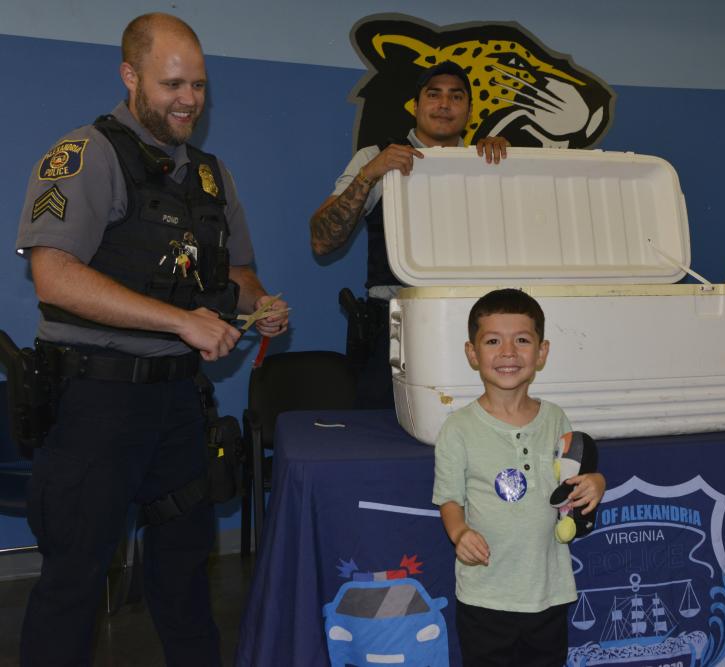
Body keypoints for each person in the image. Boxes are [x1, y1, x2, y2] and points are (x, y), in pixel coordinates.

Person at [14, 13, 289, 666]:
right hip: (97, 403)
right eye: (172, 84)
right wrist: (180, 321)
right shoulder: (83, 156)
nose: (189, 99)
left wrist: (261, 303)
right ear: (130, 76)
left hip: (178, 409)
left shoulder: (211, 176)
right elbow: (52, 277)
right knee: (74, 580)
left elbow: (237, 274)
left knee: (186, 572)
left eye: (198, 84)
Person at [309, 61, 510, 408]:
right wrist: (370, 175)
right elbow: (322, 240)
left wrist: (511, 165)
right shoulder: (374, 158)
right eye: (433, 95)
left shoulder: (488, 162)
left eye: (456, 96)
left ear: (469, 110)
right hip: (393, 326)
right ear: (415, 107)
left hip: (471, 324)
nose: (444, 105)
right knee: (383, 439)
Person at [432, 288, 606, 666]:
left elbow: (572, 484)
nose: (508, 352)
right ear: (472, 353)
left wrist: (597, 484)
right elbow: (449, 499)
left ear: (541, 352)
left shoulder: (557, 418)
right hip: (485, 596)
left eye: (522, 340)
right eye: (493, 341)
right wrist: (460, 533)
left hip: (549, 592)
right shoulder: (458, 429)